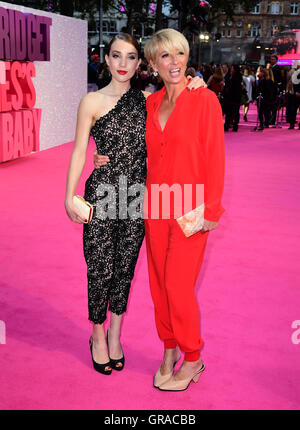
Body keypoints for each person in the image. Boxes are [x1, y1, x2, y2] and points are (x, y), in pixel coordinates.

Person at [65, 33, 204, 376]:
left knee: (124, 271)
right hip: (102, 198)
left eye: (130, 57)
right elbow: (80, 151)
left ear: (139, 63)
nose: (123, 63)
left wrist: (195, 83)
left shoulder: (148, 102)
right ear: (107, 60)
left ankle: (115, 335)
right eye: (116, 56)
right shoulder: (91, 102)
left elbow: (176, 109)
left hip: (136, 201)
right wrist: (69, 195)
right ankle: (97, 335)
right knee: (99, 269)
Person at [142, 29, 224, 391]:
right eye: (164, 56)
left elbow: (215, 157)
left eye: (179, 53)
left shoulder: (204, 99)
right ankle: (169, 349)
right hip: (156, 205)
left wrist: (211, 209)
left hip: (192, 207)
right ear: (153, 63)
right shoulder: (151, 103)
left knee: (177, 284)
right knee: (159, 285)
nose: (174, 62)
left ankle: (193, 357)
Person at [223, 64, 243, 131]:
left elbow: (236, 88)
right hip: (228, 97)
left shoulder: (238, 77)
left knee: (235, 112)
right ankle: (227, 125)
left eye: (232, 68)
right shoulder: (228, 75)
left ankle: (235, 125)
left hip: (235, 97)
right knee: (228, 112)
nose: (231, 69)